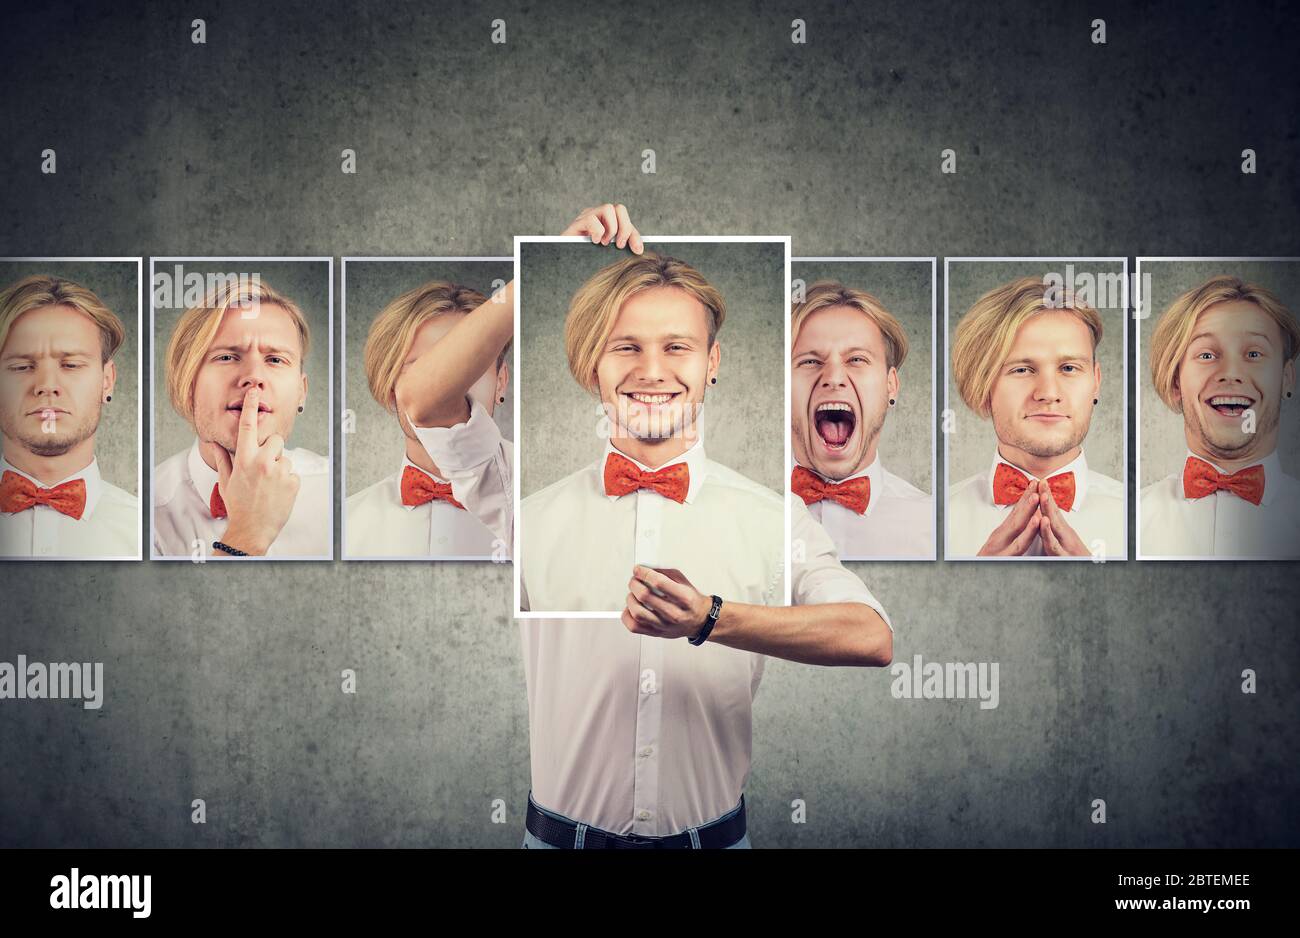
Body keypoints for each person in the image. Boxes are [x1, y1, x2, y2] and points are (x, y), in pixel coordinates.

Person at [417, 205, 893, 848]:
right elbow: (423, 399)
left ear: (712, 360)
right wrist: (530, 274)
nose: (652, 370)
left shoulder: (775, 517)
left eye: (677, 347)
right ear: (593, 365)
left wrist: (711, 619)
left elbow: (872, 637)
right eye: (626, 347)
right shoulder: (518, 507)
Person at [947, 276, 1123, 559]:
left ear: (1096, 381)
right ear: (983, 384)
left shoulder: (1143, 520)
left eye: (1068, 368)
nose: (1048, 393)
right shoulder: (933, 521)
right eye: (1022, 370)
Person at [153, 278, 329, 558]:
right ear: (186, 384)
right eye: (226, 357)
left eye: (275, 360)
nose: (254, 377)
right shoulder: (143, 513)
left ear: (301, 392)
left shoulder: (338, 498)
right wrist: (246, 536)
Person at [345, 281, 509, 558]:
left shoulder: (538, 518)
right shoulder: (344, 527)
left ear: (501, 382)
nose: (448, 389)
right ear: (389, 389)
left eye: (470, 367)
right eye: (423, 369)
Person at [1140, 274, 1300, 558]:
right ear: (1176, 382)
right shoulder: (1129, 521)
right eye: (1206, 355)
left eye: (1253, 353)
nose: (1231, 374)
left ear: (1286, 378)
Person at [789, 280, 932, 559]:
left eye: (856, 360)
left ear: (891, 385)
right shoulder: (748, 516)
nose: (833, 378)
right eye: (810, 361)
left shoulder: (935, 527)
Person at [0, 275, 139, 559]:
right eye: (22, 366)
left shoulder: (147, 532)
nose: (47, 385)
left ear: (107, 381)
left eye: (71, 364)